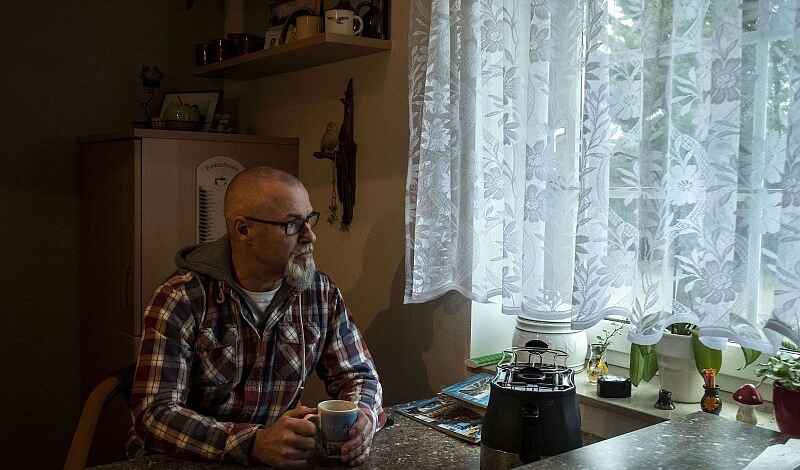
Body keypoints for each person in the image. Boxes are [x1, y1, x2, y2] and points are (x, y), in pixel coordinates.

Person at [129, 167, 384, 468]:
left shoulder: (318, 292)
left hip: (279, 460)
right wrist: (253, 443)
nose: (310, 235)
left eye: (310, 220)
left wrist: (363, 418)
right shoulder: (181, 298)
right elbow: (154, 414)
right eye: (292, 225)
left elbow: (360, 376)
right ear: (243, 230)